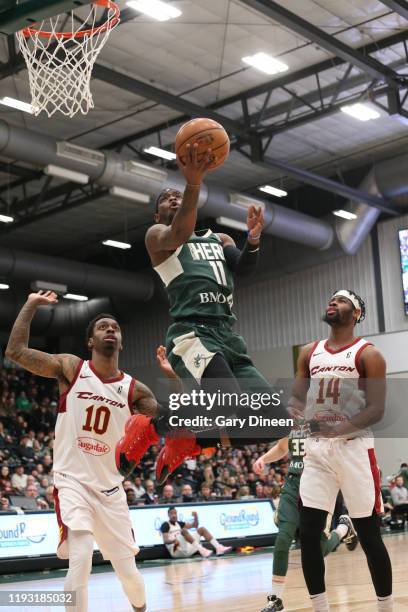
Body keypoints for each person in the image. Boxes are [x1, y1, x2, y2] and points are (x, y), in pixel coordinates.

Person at [117, 144, 291, 484]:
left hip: (229, 337)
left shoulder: (218, 238)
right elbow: (180, 230)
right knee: (227, 398)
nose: (173, 197)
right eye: (165, 198)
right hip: (191, 332)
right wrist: (192, 183)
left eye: (176, 195)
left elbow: (243, 267)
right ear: (157, 216)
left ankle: (193, 441)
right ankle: (150, 428)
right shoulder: (158, 237)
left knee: (276, 421)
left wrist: (252, 240)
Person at [5, 291, 165, 612]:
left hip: (110, 491)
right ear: (90, 341)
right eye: (103, 327)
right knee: (80, 562)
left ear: (120, 342)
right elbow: (15, 351)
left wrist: (173, 376)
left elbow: (164, 428)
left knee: (129, 576)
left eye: (115, 328)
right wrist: (31, 304)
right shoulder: (72, 369)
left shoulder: (137, 392)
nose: (110, 330)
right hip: (72, 482)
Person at [289, 289, 393, 612]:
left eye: (342, 300)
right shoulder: (309, 352)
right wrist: (293, 409)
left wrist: (339, 428)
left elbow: (376, 409)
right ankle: (321, 608)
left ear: (356, 313)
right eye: (332, 299)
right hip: (317, 450)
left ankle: (386, 607)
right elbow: (297, 397)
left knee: (369, 534)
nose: (333, 302)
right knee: (307, 533)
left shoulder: (368, 354)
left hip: (354, 449)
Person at [253, 431, 358, 612]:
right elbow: (281, 447)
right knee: (283, 536)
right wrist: (263, 458)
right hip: (293, 486)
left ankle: (343, 529)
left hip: (320, 484)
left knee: (317, 549)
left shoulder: (324, 416)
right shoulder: (292, 419)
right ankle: (275, 599)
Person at [160, 507, 231, 558]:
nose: (174, 515)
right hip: (176, 551)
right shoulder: (165, 525)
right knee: (184, 530)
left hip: (186, 548)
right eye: (172, 514)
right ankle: (202, 550)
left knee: (202, 529)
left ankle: (218, 547)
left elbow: (195, 525)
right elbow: (165, 540)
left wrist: (196, 517)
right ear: (168, 515)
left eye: (175, 513)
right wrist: (173, 540)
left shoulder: (179, 523)